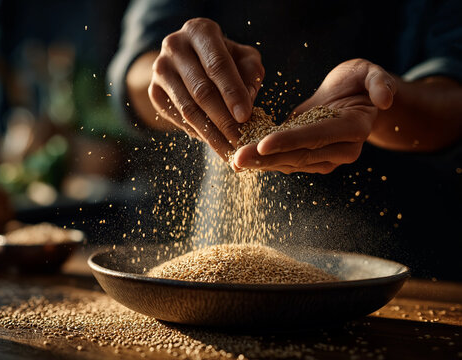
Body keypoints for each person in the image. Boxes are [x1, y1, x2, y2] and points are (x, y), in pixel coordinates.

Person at [108, 0, 462, 279]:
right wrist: (177, 75)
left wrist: (381, 106)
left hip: (400, 258)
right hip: (220, 234)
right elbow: (133, 74)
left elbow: (453, 91)